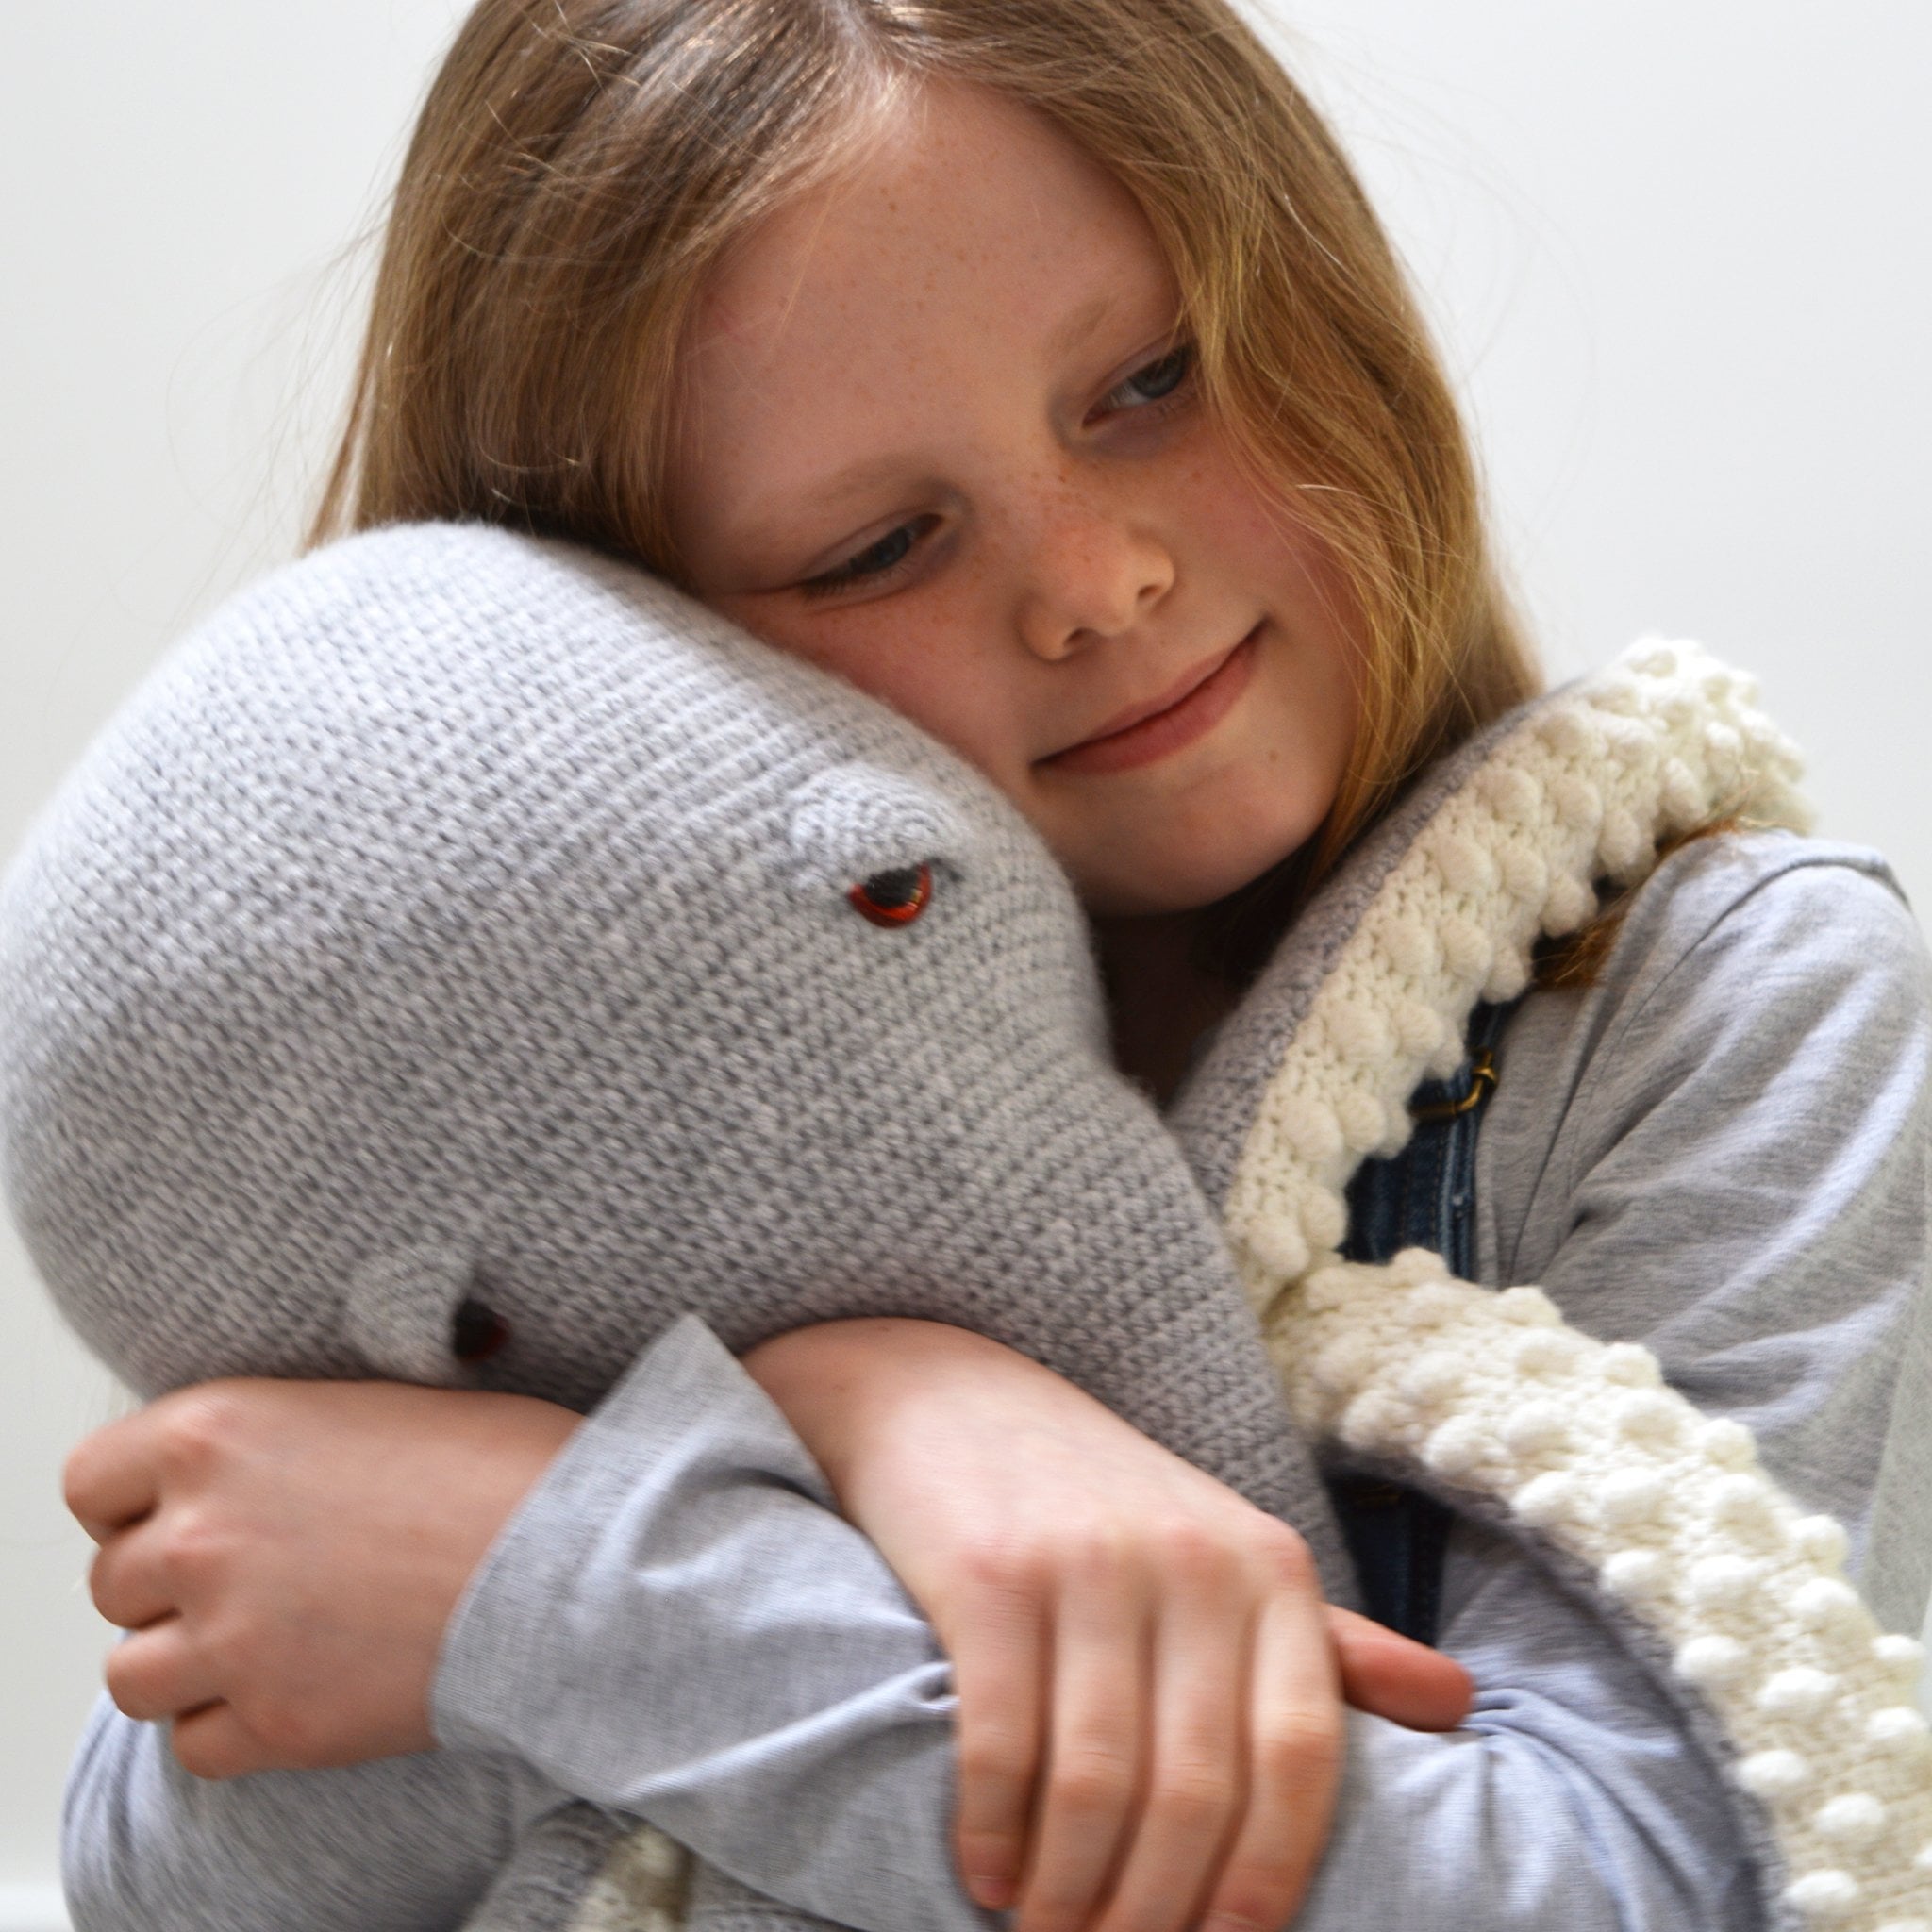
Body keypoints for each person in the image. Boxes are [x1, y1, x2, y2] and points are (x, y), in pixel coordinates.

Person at [46, 3, 1932, 1929]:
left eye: (1151, 379)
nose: (1094, 577)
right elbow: (168, 1845)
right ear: (608, 646)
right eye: (876, 542)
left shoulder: (1714, 1003)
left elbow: (1665, 1883)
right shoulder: (577, 1118)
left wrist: (562, 1583)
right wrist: (857, 1394)